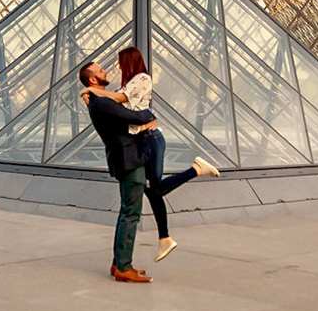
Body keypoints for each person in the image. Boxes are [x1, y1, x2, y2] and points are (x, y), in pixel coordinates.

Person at [83, 46, 218, 261]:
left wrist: (148, 115)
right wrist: (94, 94)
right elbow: (121, 108)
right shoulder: (120, 88)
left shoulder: (142, 78)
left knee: (153, 189)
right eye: (101, 70)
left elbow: (122, 103)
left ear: (129, 62)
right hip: (142, 141)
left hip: (151, 139)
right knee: (152, 191)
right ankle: (164, 238)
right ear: (92, 79)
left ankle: (195, 170)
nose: (114, 67)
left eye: (120, 62)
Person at [79, 59, 158, 283]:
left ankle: (119, 263)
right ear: (93, 79)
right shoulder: (102, 103)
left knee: (127, 212)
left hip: (125, 159)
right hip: (129, 160)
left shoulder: (100, 100)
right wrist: (150, 113)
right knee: (131, 213)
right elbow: (136, 116)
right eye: (101, 70)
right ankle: (123, 266)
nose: (106, 71)